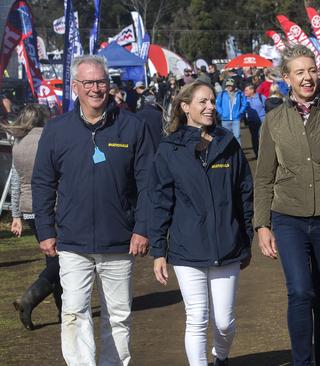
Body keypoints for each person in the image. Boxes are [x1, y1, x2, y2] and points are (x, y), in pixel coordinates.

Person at [32, 55, 154, 365]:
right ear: (75, 87)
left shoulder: (133, 127)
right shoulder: (56, 130)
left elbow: (149, 184)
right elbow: (43, 183)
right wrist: (46, 230)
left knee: (119, 316)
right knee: (74, 312)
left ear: (109, 85)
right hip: (72, 243)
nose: (95, 88)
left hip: (120, 240)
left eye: (101, 81)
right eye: (88, 82)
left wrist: (142, 228)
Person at [254, 45, 320, 366]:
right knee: (300, 292)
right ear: (286, 78)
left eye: (311, 70)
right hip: (288, 219)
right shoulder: (273, 120)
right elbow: (263, 177)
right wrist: (262, 225)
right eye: (299, 72)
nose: (307, 77)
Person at [148, 81, 253, 366]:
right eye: (202, 102)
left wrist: (246, 240)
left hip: (227, 246)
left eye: (212, 102)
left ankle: (221, 356)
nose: (210, 107)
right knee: (196, 318)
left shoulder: (228, 143)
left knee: (224, 322)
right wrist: (159, 250)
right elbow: (160, 202)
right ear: (185, 107)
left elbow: (245, 193)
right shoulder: (169, 148)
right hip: (186, 248)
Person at [3, 105, 61, 331]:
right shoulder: (48, 138)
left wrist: (16, 214)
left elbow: (16, 181)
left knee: (53, 260)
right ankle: (30, 299)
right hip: (52, 206)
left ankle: (63, 310)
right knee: (61, 261)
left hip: (29, 209)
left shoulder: (18, 143)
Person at [216, 78, 247, 145]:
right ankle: (229, 153)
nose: (229, 87)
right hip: (225, 119)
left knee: (237, 136)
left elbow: (244, 104)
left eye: (231, 85)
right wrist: (221, 113)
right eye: (228, 85)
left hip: (236, 118)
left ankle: (239, 152)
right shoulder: (222, 94)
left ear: (234, 85)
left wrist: (240, 112)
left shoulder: (239, 93)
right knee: (227, 137)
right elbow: (217, 104)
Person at [243, 84, 266, 158]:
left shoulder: (261, 97)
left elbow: (267, 107)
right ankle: (257, 154)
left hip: (262, 120)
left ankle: (265, 154)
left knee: (263, 137)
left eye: (246, 90)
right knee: (254, 138)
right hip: (251, 121)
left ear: (252, 90)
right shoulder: (244, 99)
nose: (245, 92)